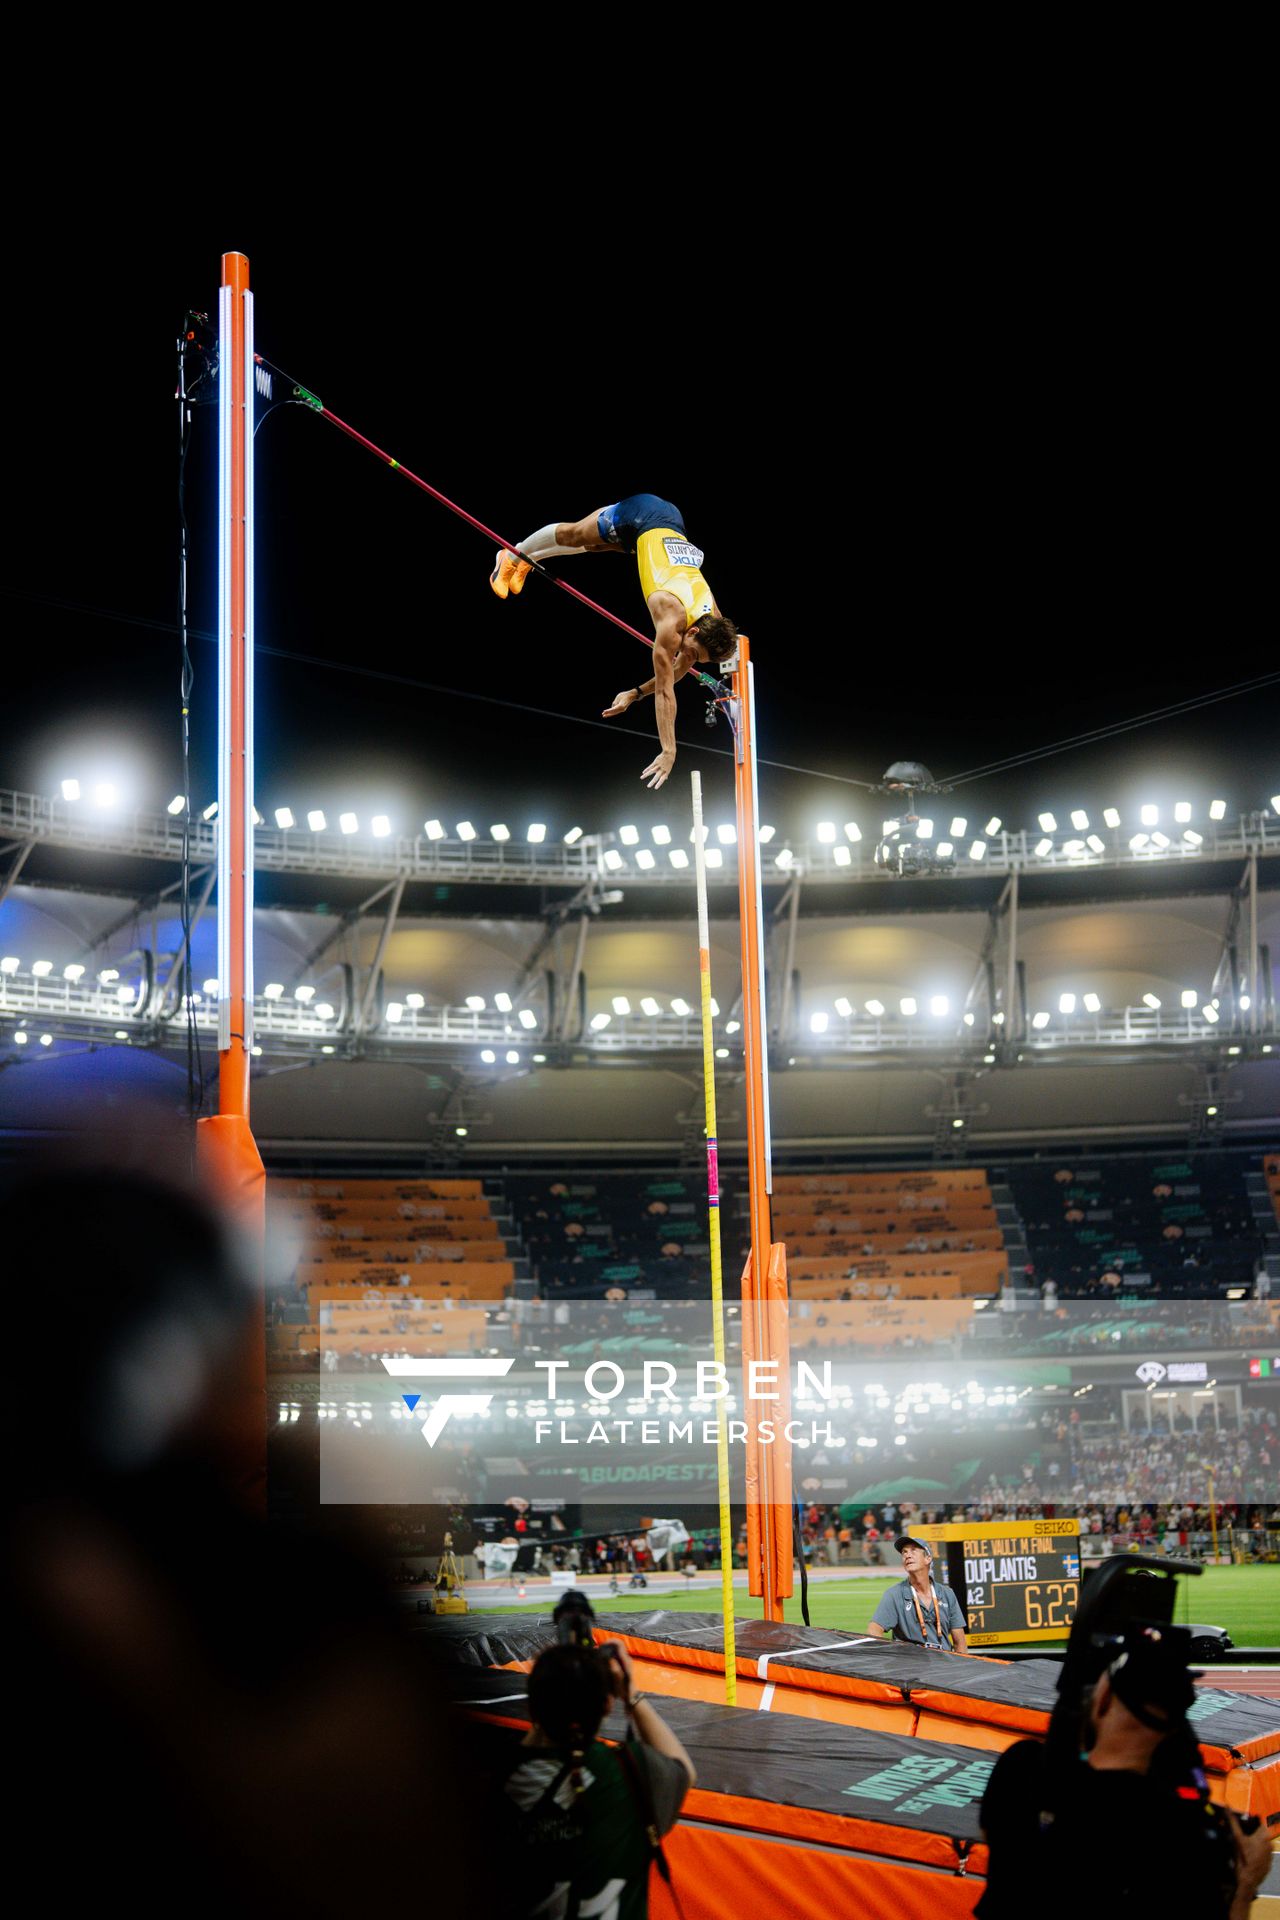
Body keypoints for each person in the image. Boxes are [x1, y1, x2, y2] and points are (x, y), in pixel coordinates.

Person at [976, 1627, 1271, 1918]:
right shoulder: (1186, 1835)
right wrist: (1245, 1885)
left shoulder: (1021, 1772)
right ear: (1175, 1725)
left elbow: (999, 1836)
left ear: (1102, 1700)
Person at [488, 493, 738, 791]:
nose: (690, 658)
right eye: (694, 653)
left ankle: (529, 560)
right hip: (642, 514)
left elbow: (682, 666)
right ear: (694, 633)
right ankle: (512, 555)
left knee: (594, 545)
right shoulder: (671, 621)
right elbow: (665, 691)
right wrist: (669, 751)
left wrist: (634, 693)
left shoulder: (713, 619)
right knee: (575, 534)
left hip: (670, 525)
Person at [500, 1638, 695, 1919]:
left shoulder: (496, 1778)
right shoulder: (629, 1770)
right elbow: (684, 1771)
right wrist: (631, 1694)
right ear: (606, 1705)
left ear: (533, 1708)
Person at [864, 1536, 969, 1653]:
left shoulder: (947, 1594)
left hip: (943, 1665)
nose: (907, 1555)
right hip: (912, 1667)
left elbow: (960, 1642)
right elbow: (873, 1630)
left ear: (928, 1559)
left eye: (913, 1550)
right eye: (904, 1552)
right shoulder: (894, 1594)